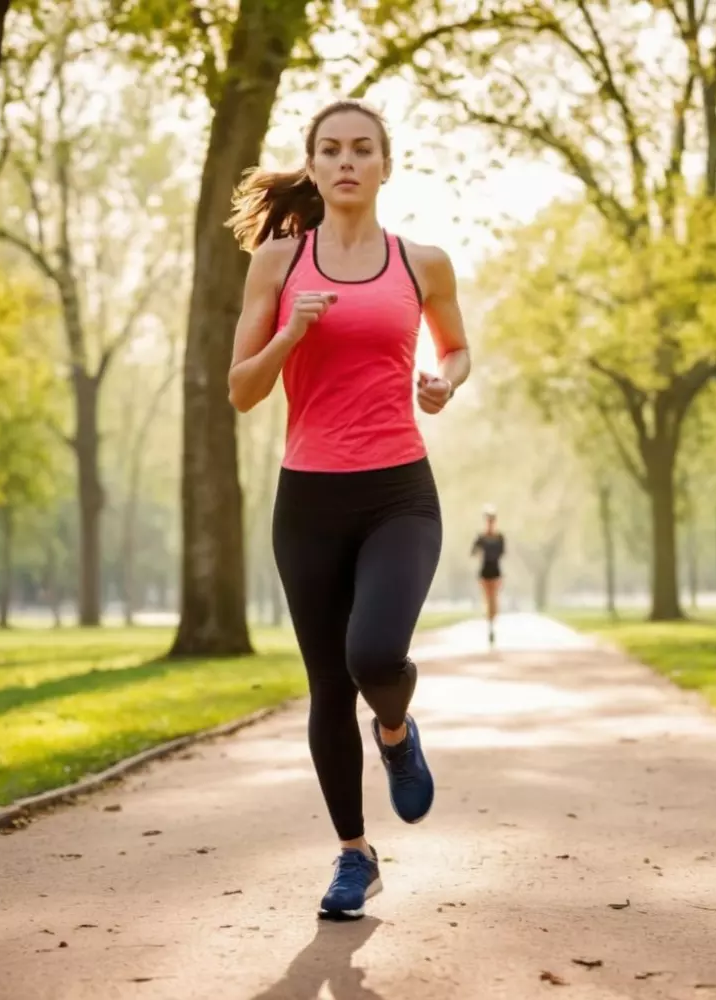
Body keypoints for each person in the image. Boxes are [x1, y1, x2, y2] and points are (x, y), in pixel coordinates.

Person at [226, 99, 470, 921]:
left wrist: (446, 381)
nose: (346, 162)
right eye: (330, 150)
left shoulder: (422, 263)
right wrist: (291, 335)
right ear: (316, 165)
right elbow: (242, 391)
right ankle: (353, 856)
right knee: (329, 684)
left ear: (385, 166)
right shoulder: (278, 264)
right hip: (310, 499)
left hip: (400, 490)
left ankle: (397, 733)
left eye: (362, 149)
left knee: (374, 655)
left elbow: (457, 345)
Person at [471, 505, 505, 646]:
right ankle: (489, 624)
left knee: (494, 599)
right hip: (484, 571)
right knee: (487, 598)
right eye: (488, 519)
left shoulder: (500, 537)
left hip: (496, 570)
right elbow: (473, 552)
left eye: (492, 519)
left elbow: (502, 553)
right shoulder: (481, 537)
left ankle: (492, 624)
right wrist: (479, 551)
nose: (490, 522)